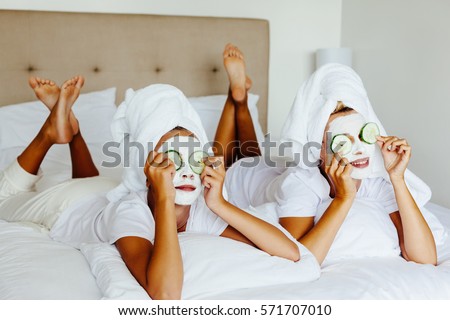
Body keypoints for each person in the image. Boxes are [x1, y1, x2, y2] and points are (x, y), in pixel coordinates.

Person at [0, 75, 299, 300]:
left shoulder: (200, 207)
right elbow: (165, 294)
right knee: (5, 197)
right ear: (148, 172)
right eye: (171, 159)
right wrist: (166, 202)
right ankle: (51, 133)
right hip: (68, 205)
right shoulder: (131, 211)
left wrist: (219, 203)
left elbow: (290, 251)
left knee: (92, 181)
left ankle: (74, 132)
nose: (183, 171)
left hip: (105, 190)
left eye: (193, 158)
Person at [219, 61, 439, 266]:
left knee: (257, 154)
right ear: (320, 150)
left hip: (272, 169)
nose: (360, 150)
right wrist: (344, 198)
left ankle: (240, 101)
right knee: (233, 159)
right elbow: (299, 259)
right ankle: (236, 101)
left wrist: (397, 178)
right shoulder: (301, 182)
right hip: (243, 179)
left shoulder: (375, 178)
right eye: (344, 141)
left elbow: (425, 259)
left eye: (364, 135)